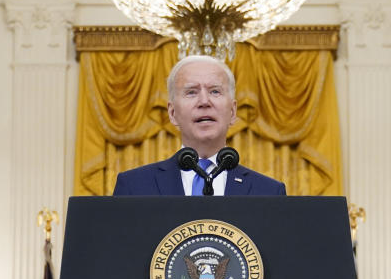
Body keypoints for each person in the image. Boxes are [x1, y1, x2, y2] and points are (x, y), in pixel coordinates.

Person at [112, 54, 286, 197]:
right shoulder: (133, 188)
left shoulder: (268, 192)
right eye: (191, 92)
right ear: (172, 114)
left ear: (232, 112)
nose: (204, 101)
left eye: (215, 91)